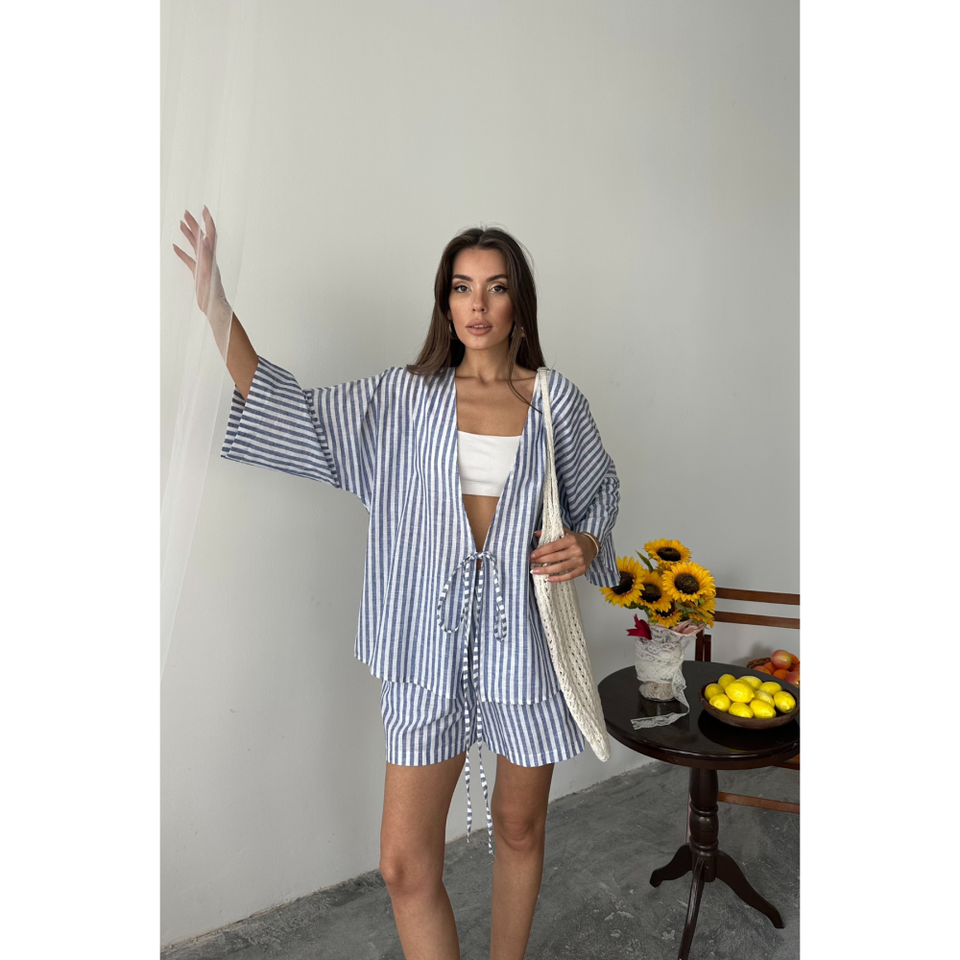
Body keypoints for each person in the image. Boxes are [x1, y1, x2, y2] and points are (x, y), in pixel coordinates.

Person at [173, 207, 621, 960]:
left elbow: (598, 495)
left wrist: (588, 542)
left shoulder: (555, 402)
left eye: (496, 287)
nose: (478, 304)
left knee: (519, 828)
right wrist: (215, 304)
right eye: (462, 287)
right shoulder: (403, 398)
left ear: (519, 302)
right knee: (404, 865)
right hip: (422, 651)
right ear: (444, 302)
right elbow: (294, 415)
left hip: (525, 649)